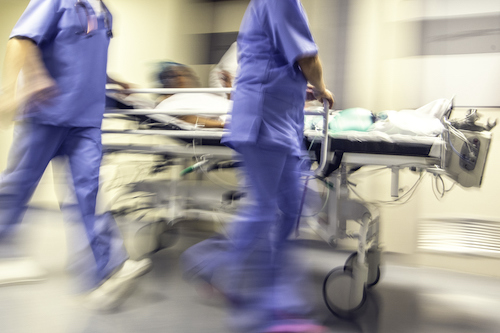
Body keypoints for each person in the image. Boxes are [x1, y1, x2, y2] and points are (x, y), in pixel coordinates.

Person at [181, 0, 334, 332]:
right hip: (263, 120)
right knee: (265, 211)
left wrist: (300, 90)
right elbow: (307, 58)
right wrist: (321, 87)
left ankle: (224, 271)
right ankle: (261, 310)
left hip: (282, 121)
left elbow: (274, 62)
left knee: (294, 206)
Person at [0, 0, 151, 310]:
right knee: (16, 188)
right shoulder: (58, 1)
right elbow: (21, 39)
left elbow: (81, 60)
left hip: (85, 121)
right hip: (45, 115)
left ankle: (106, 272)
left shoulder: (105, 13)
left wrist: (112, 81)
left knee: (89, 194)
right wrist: (16, 87)